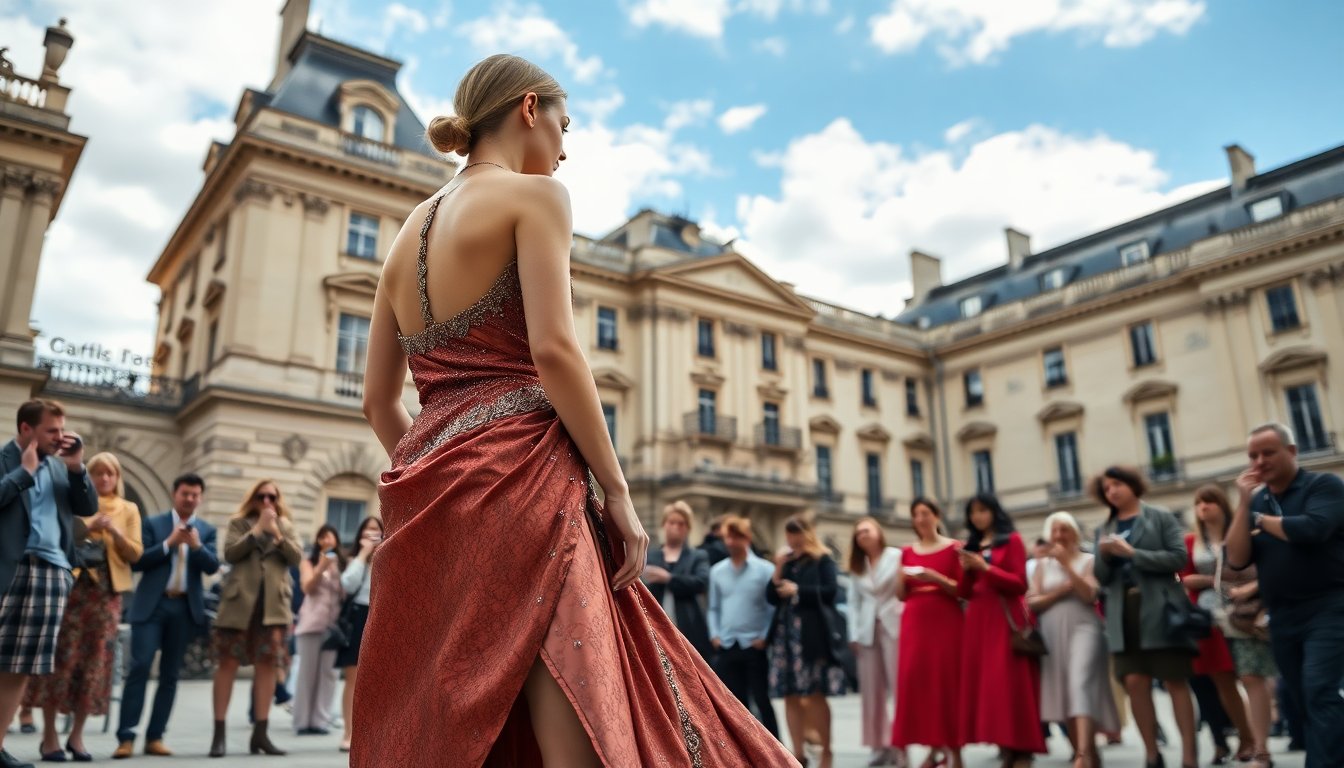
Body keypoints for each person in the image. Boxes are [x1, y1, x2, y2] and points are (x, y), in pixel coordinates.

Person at [354, 53, 797, 766]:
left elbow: (378, 400)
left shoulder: (405, 235)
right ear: (529, 108)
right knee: (570, 685)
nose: (564, 146)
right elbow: (556, 350)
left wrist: (440, 470)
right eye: (564, 123)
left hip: (427, 485)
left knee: (458, 711)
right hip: (525, 472)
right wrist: (616, 491)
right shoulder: (537, 198)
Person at [1226, 423, 1344, 768]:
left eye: (1268, 452)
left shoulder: (1324, 485)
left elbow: (1312, 528)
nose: (1259, 462)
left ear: (1291, 452)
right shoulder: (1256, 500)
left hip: (1329, 606)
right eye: (1253, 455)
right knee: (1305, 698)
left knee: (1320, 690)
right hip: (1282, 613)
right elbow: (1235, 558)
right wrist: (1244, 504)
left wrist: (1258, 518)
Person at [23, 452, 142, 762]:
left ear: (117, 478)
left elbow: (136, 554)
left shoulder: (128, 509)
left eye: (110, 474)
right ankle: (49, 737)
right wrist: (89, 526)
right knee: (61, 660)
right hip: (72, 590)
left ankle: (76, 736)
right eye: (98, 473)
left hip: (106, 595)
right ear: (89, 477)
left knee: (94, 665)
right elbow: (59, 538)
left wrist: (114, 531)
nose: (104, 479)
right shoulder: (74, 502)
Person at [0, 399, 96, 768]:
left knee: (20, 665)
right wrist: (22, 475)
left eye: (62, 429)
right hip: (11, 568)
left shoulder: (61, 467)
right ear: (26, 429)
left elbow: (86, 508)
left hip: (53, 572)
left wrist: (77, 468)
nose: (61, 437)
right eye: (51, 431)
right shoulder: (5, 460)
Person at [1091, 465, 1198, 768]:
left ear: (1133, 485)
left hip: (1160, 609)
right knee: (1135, 682)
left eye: (1117, 483)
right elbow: (1100, 577)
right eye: (1107, 486)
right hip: (1121, 613)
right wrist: (1105, 556)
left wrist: (1132, 553)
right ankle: (1152, 754)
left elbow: (1178, 557)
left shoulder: (1160, 516)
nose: (1112, 490)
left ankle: (1189, 756)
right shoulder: (1104, 528)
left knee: (1175, 680)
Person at [115, 473, 219, 759]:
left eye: (195, 494)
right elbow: (139, 561)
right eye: (185, 493)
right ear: (176, 494)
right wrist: (169, 543)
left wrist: (196, 547)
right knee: (140, 667)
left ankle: (155, 737)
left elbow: (212, 567)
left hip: (184, 609)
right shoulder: (154, 524)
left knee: (170, 675)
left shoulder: (207, 530)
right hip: (152, 607)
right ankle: (126, 737)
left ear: (201, 497)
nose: (190, 499)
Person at [208, 479, 302, 758]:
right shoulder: (239, 523)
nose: (267, 502)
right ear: (253, 498)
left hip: (273, 608)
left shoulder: (285, 526)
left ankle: (260, 735)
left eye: (272, 497)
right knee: (227, 664)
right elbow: (229, 553)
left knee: (267, 668)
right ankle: (219, 735)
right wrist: (258, 529)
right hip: (239, 606)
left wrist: (276, 534)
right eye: (261, 497)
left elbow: (296, 558)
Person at [957, 494, 1047, 767]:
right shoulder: (971, 545)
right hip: (978, 619)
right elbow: (964, 592)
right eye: (973, 512)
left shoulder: (1013, 540)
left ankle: (1023, 748)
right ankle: (1003, 745)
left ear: (994, 512)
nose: (977, 517)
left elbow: (1019, 583)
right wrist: (966, 569)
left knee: (1010, 683)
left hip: (1004, 618)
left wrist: (985, 567)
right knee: (989, 686)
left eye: (982, 510)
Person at [1029, 511, 1119, 768]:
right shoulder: (1042, 566)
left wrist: (1067, 565)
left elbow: (1090, 595)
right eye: (1054, 530)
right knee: (1063, 692)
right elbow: (1033, 603)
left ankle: (1083, 755)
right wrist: (1061, 590)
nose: (1059, 535)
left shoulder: (1088, 560)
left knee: (1081, 684)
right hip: (1051, 632)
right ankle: (1085, 750)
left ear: (1074, 533)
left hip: (1085, 629)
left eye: (1064, 530)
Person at [1179, 485, 1255, 763]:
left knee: (1247, 677)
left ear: (1222, 505)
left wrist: (1214, 580)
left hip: (1242, 611)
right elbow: (1185, 578)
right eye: (1199, 503)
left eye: (1209, 501)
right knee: (1218, 680)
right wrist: (1218, 581)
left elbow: (1248, 569)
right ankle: (1232, 740)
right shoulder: (1191, 542)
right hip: (1206, 619)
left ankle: (1249, 737)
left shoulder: (1238, 534)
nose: (1204, 507)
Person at [768, 515, 846, 768]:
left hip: (810, 634)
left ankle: (826, 750)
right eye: (789, 533)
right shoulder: (788, 562)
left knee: (813, 694)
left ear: (807, 533)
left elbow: (832, 591)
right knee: (790, 694)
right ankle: (798, 753)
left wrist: (798, 591)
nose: (792, 538)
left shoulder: (822, 559)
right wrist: (778, 567)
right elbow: (770, 596)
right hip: (786, 635)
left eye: (797, 532)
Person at [892, 497, 964, 768]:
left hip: (946, 620)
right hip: (914, 622)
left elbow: (961, 590)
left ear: (937, 515)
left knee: (946, 684)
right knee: (917, 685)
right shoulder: (906, 551)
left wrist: (933, 577)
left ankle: (954, 752)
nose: (920, 518)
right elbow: (900, 595)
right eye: (916, 514)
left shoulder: (954, 548)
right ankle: (933, 749)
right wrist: (900, 578)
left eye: (925, 513)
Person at [707, 515, 779, 739]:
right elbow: (713, 607)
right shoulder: (717, 571)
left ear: (747, 538)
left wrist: (765, 636)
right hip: (728, 642)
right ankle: (745, 747)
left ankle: (776, 748)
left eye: (736, 537)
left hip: (754, 644)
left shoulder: (765, 570)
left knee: (761, 699)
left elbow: (772, 608)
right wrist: (715, 634)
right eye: (728, 537)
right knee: (734, 702)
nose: (731, 542)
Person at [846, 516, 903, 768]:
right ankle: (878, 746)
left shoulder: (896, 556)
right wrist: (854, 634)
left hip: (895, 626)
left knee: (899, 688)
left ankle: (902, 747)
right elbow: (853, 603)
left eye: (866, 531)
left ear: (879, 532)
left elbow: (905, 590)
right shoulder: (858, 565)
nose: (862, 536)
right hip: (867, 631)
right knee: (871, 692)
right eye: (858, 533)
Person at [293, 524, 345, 736]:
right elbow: (307, 587)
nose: (326, 540)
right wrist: (322, 567)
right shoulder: (309, 562)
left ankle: (320, 721)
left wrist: (335, 570)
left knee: (328, 674)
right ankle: (302, 721)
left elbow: (345, 592)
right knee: (307, 674)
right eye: (322, 537)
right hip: (311, 624)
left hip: (333, 627)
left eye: (329, 537)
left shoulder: (342, 564)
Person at [643, 501, 713, 659]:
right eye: (672, 522)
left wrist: (669, 578)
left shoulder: (697, 556)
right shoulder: (652, 556)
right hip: (655, 623)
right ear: (664, 525)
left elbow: (701, 582)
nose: (675, 527)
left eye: (681, 524)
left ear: (687, 528)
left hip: (687, 624)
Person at [337, 517, 383, 753]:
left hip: (381, 615)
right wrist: (364, 555)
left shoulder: (388, 556)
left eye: (376, 531)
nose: (371, 535)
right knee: (352, 679)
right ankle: (348, 733)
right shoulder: (355, 560)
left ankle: (374, 733)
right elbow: (346, 584)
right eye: (367, 531)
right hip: (357, 616)